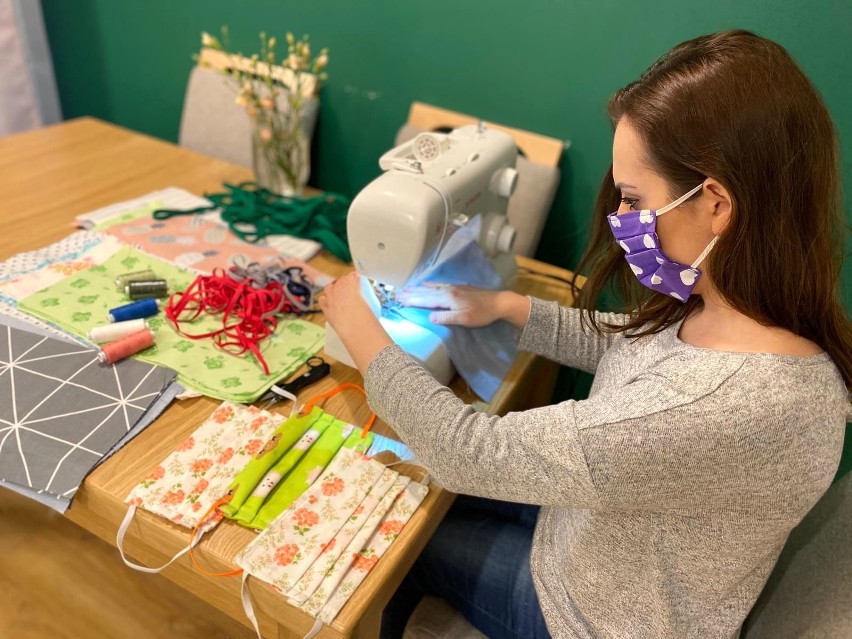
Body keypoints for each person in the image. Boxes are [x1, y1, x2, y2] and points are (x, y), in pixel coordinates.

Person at [319, 29, 852, 639]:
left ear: (716, 204)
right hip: (596, 534)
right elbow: (641, 350)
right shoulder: (748, 318)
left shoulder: (730, 406)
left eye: (632, 197)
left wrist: (364, 332)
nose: (619, 219)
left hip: (589, 614)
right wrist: (512, 308)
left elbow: (466, 452)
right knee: (400, 478)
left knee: (393, 544)